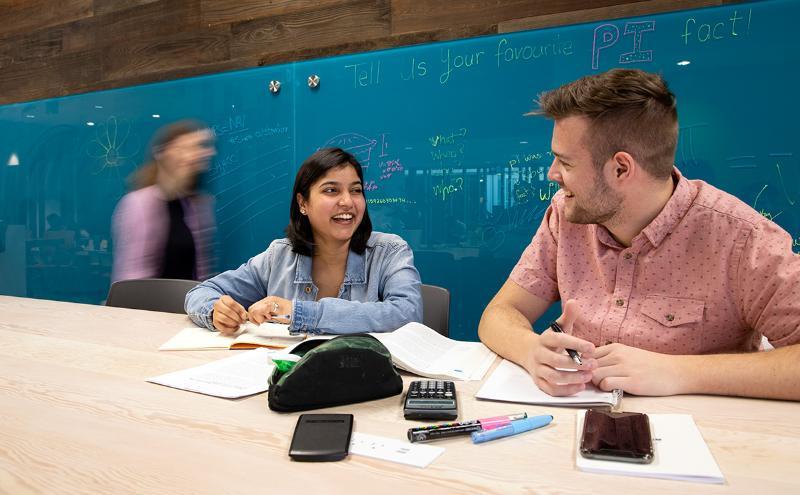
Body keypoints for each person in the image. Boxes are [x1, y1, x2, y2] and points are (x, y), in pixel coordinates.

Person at [478, 68, 800, 401]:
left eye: (566, 163)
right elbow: (498, 314)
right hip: (574, 428)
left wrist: (679, 372)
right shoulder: (566, 217)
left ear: (621, 168)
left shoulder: (740, 239)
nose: (552, 174)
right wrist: (533, 351)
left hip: (701, 441)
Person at [185, 147, 422, 335]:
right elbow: (202, 292)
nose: (348, 202)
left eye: (356, 190)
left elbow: (407, 313)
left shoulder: (390, 250)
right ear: (303, 203)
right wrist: (216, 310)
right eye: (331, 190)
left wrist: (298, 313)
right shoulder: (279, 256)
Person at [111, 120, 216, 282]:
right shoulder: (138, 204)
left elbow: (201, 270)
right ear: (162, 153)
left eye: (198, 148)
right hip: (145, 305)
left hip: (186, 305)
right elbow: (131, 278)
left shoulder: (198, 205)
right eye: (184, 148)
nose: (195, 155)